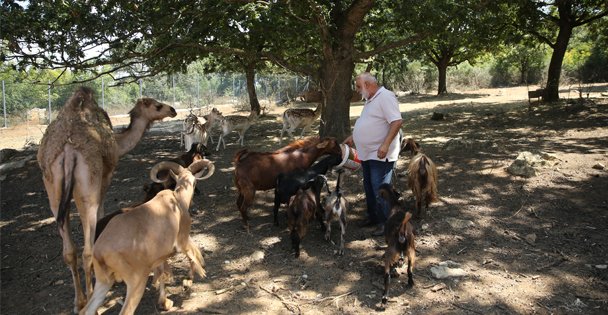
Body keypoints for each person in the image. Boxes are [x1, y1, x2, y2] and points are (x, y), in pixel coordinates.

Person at [344, 72, 402, 237]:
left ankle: (386, 223)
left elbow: (396, 122)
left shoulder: (385, 97)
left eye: (358, 86)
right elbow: (371, 122)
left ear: (368, 85)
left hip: (380, 154)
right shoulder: (371, 99)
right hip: (367, 153)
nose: (356, 90)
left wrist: (385, 144)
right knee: (369, 187)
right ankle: (374, 217)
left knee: (380, 188)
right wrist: (354, 137)